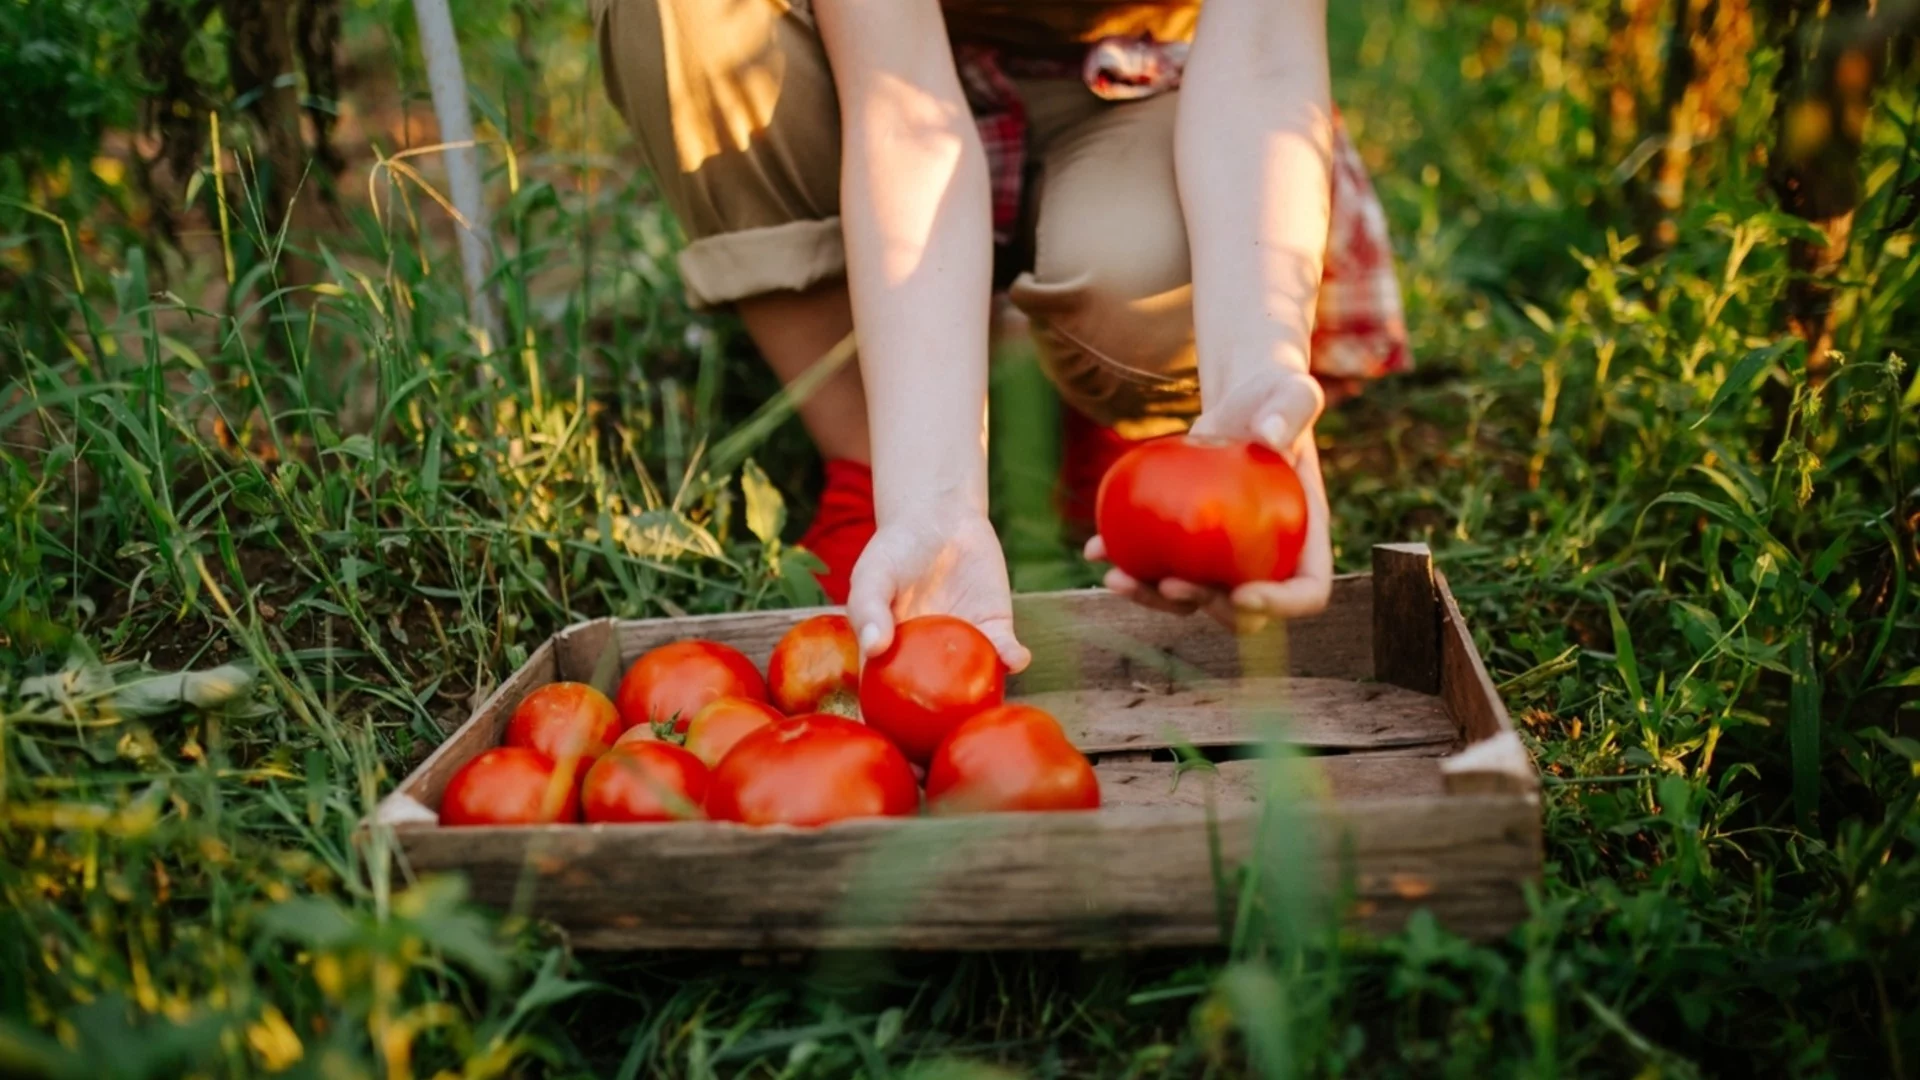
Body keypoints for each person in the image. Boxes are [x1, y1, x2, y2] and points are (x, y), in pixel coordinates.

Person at [593, 0, 1408, 672]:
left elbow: (1262, 61)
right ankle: (870, 464)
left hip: (1146, 82)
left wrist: (1252, 387)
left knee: (1136, 272)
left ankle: (1134, 423)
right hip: (861, 76)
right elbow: (905, 108)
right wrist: (929, 499)